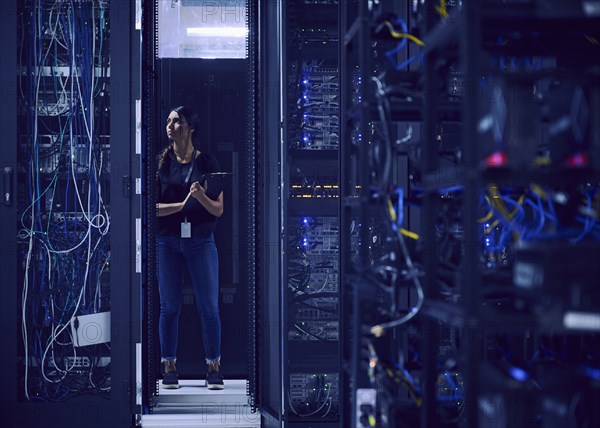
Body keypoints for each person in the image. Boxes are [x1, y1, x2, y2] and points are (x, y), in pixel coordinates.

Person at [155, 105, 224, 390]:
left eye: (177, 120)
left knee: (208, 307)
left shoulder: (208, 162)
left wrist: (200, 196)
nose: (170, 125)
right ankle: (169, 366)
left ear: (190, 127)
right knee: (169, 306)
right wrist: (183, 205)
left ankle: (213, 367)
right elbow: (152, 208)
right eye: (168, 120)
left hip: (200, 242)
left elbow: (218, 209)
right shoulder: (160, 163)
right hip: (168, 242)